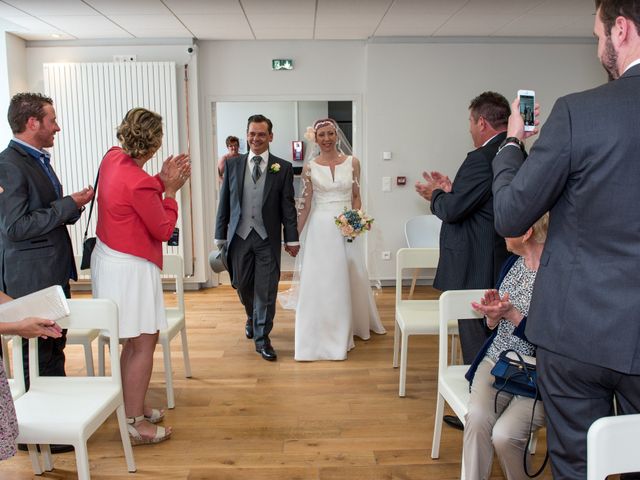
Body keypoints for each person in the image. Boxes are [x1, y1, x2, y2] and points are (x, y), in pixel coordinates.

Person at [491, 1, 640, 477]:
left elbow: (512, 213)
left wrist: (512, 143)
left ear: (621, 29)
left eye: (598, 34)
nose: (598, 46)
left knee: (578, 465)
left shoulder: (580, 112)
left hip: (578, 329)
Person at [0, 93, 94, 455]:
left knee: (54, 347)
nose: (58, 126)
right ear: (32, 123)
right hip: (31, 278)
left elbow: (43, 214)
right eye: (52, 120)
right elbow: (16, 227)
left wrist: (72, 206)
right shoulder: (9, 164)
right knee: (36, 355)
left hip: (50, 270)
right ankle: (39, 434)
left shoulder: (37, 159)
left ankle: (58, 422)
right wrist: (66, 204)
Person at [91, 107, 190, 445]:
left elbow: (138, 190)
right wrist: (171, 192)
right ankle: (135, 423)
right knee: (144, 340)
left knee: (131, 339)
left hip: (110, 259)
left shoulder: (112, 158)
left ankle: (130, 404)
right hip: (131, 267)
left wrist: (158, 180)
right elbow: (162, 228)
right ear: (154, 146)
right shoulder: (141, 184)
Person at [415, 91, 511, 429]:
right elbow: (481, 200)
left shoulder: (480, 158)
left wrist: (437, 195)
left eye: (471, 122)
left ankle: (477, 411)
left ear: (482, 122)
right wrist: (455, 189)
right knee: (493, 337)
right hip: (496, 257)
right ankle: (492, 405)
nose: (470, 129)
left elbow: (454, 211)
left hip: (474, 261)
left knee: (476, 340)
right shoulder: (511, 151)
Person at [286, 118, 385, 361]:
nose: (327, 139)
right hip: (319, 229)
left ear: (337, 136)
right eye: (322, 135)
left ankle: (351, 324)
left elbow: (356, 196)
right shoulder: (310, 167)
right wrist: (293, 237)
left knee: (349, 274)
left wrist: (355, 220)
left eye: (331, 134)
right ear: (315, 138)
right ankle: (321, 326)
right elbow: (306, 204)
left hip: (345, 228)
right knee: (322, 279)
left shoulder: (353, 163)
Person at [464, 213, 548, 480]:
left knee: (504, 435)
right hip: (498, 362)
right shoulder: (511, 263)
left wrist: (513, 315)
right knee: (477, 420)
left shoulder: (557, 272)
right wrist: (493, 314)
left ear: (527, 234)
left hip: (541, 375)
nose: (502, 234)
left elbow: (556, 337)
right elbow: (494, 327)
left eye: (508, 228)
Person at [215, 114, 299, 362]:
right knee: (242, 285)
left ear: (270, 136)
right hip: (239, 237)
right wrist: (220, 234)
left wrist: (291, 238)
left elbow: (288, 207)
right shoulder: (232, 165)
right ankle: (251, 316)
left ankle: (263, 339)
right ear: (247, 135)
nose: (256, 138)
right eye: (252, 134)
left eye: (261, 134)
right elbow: (225, 203)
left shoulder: (281, 168)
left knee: (266, 289)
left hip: (266, 238)